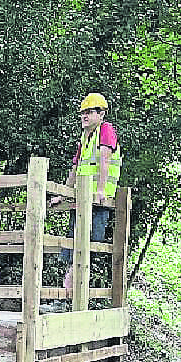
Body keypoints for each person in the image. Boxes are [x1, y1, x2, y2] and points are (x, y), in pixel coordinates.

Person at [50, 92, 122, 298]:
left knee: (87, 246)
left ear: (101, 114)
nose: (85, 116)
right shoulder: (85, 137)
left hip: (98, 200)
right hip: (81, 200)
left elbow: (105, 161)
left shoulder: (105, 130)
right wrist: (62, 195)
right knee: (73, 246)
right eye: (83, 113)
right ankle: (67, 293)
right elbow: (75, 168)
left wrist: (100, 190)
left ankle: (72, 294)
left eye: (90, 112)